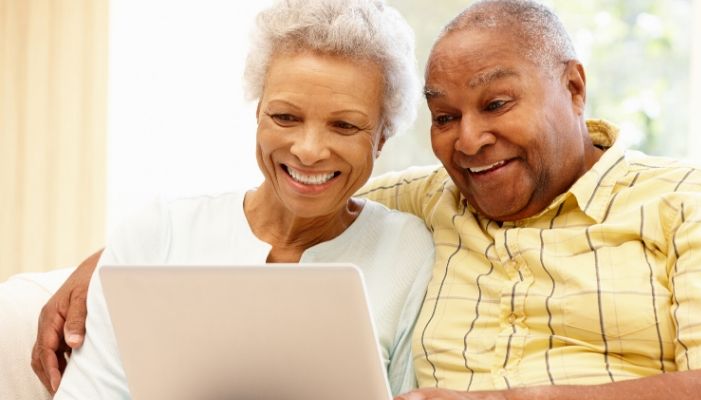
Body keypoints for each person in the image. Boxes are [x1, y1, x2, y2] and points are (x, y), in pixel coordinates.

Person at [33, 1, 701, 399]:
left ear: (573, 87)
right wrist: (106, 267)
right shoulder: (430, 201)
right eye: (445, 116)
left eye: (498, 104)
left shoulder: (694, 201)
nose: (469, 141)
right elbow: (299, 196)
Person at [38, 0, 435, 398]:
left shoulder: (408, 251)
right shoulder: (158, 234)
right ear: (259, 112)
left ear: (382, 136)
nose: (309, 150)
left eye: (345, 125)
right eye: (285, 117)